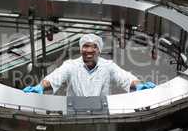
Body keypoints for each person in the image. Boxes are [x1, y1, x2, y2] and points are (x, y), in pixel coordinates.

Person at [23, 34, 156, 96]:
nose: (89, 51)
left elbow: (124, 77)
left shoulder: (108, 66)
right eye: (86, 46)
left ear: (99, 50)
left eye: (94, 47)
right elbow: (55, 77)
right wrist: (39, 86)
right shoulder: (71, 65)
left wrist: (138, 84)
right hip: (74, 110)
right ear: (81, 49)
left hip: (101, 111)